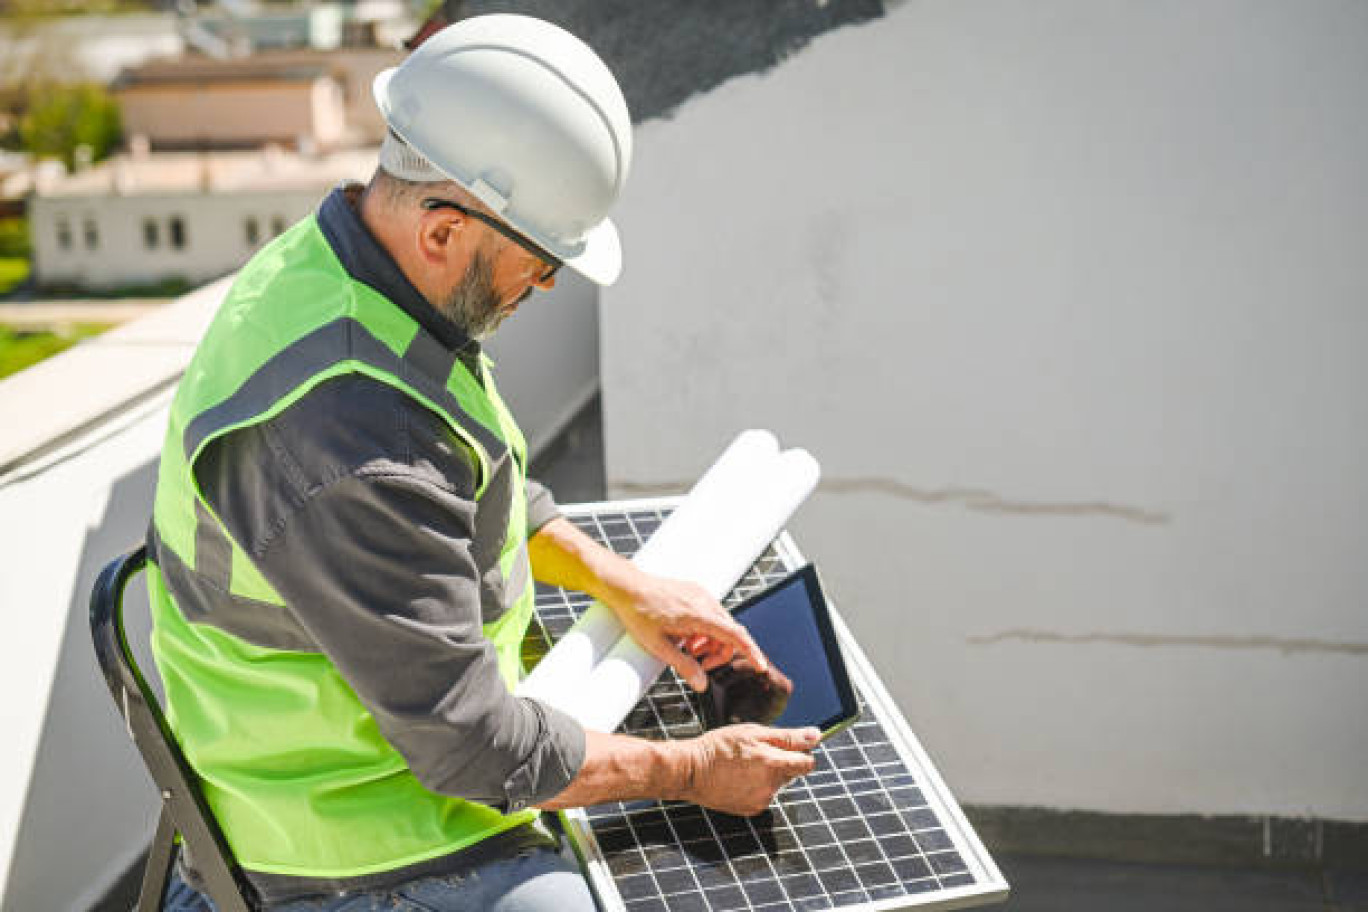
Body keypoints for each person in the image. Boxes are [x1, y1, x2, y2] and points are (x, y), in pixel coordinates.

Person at [150, 15, 819, 911]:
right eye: (539, 264)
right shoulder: (352, 435)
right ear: (442, 231)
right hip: (344, 831)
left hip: (382, 733)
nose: (542, 290)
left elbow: (464, 472)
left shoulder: (346, 269)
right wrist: (689, 771)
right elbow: (473, 748)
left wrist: (620, 581)